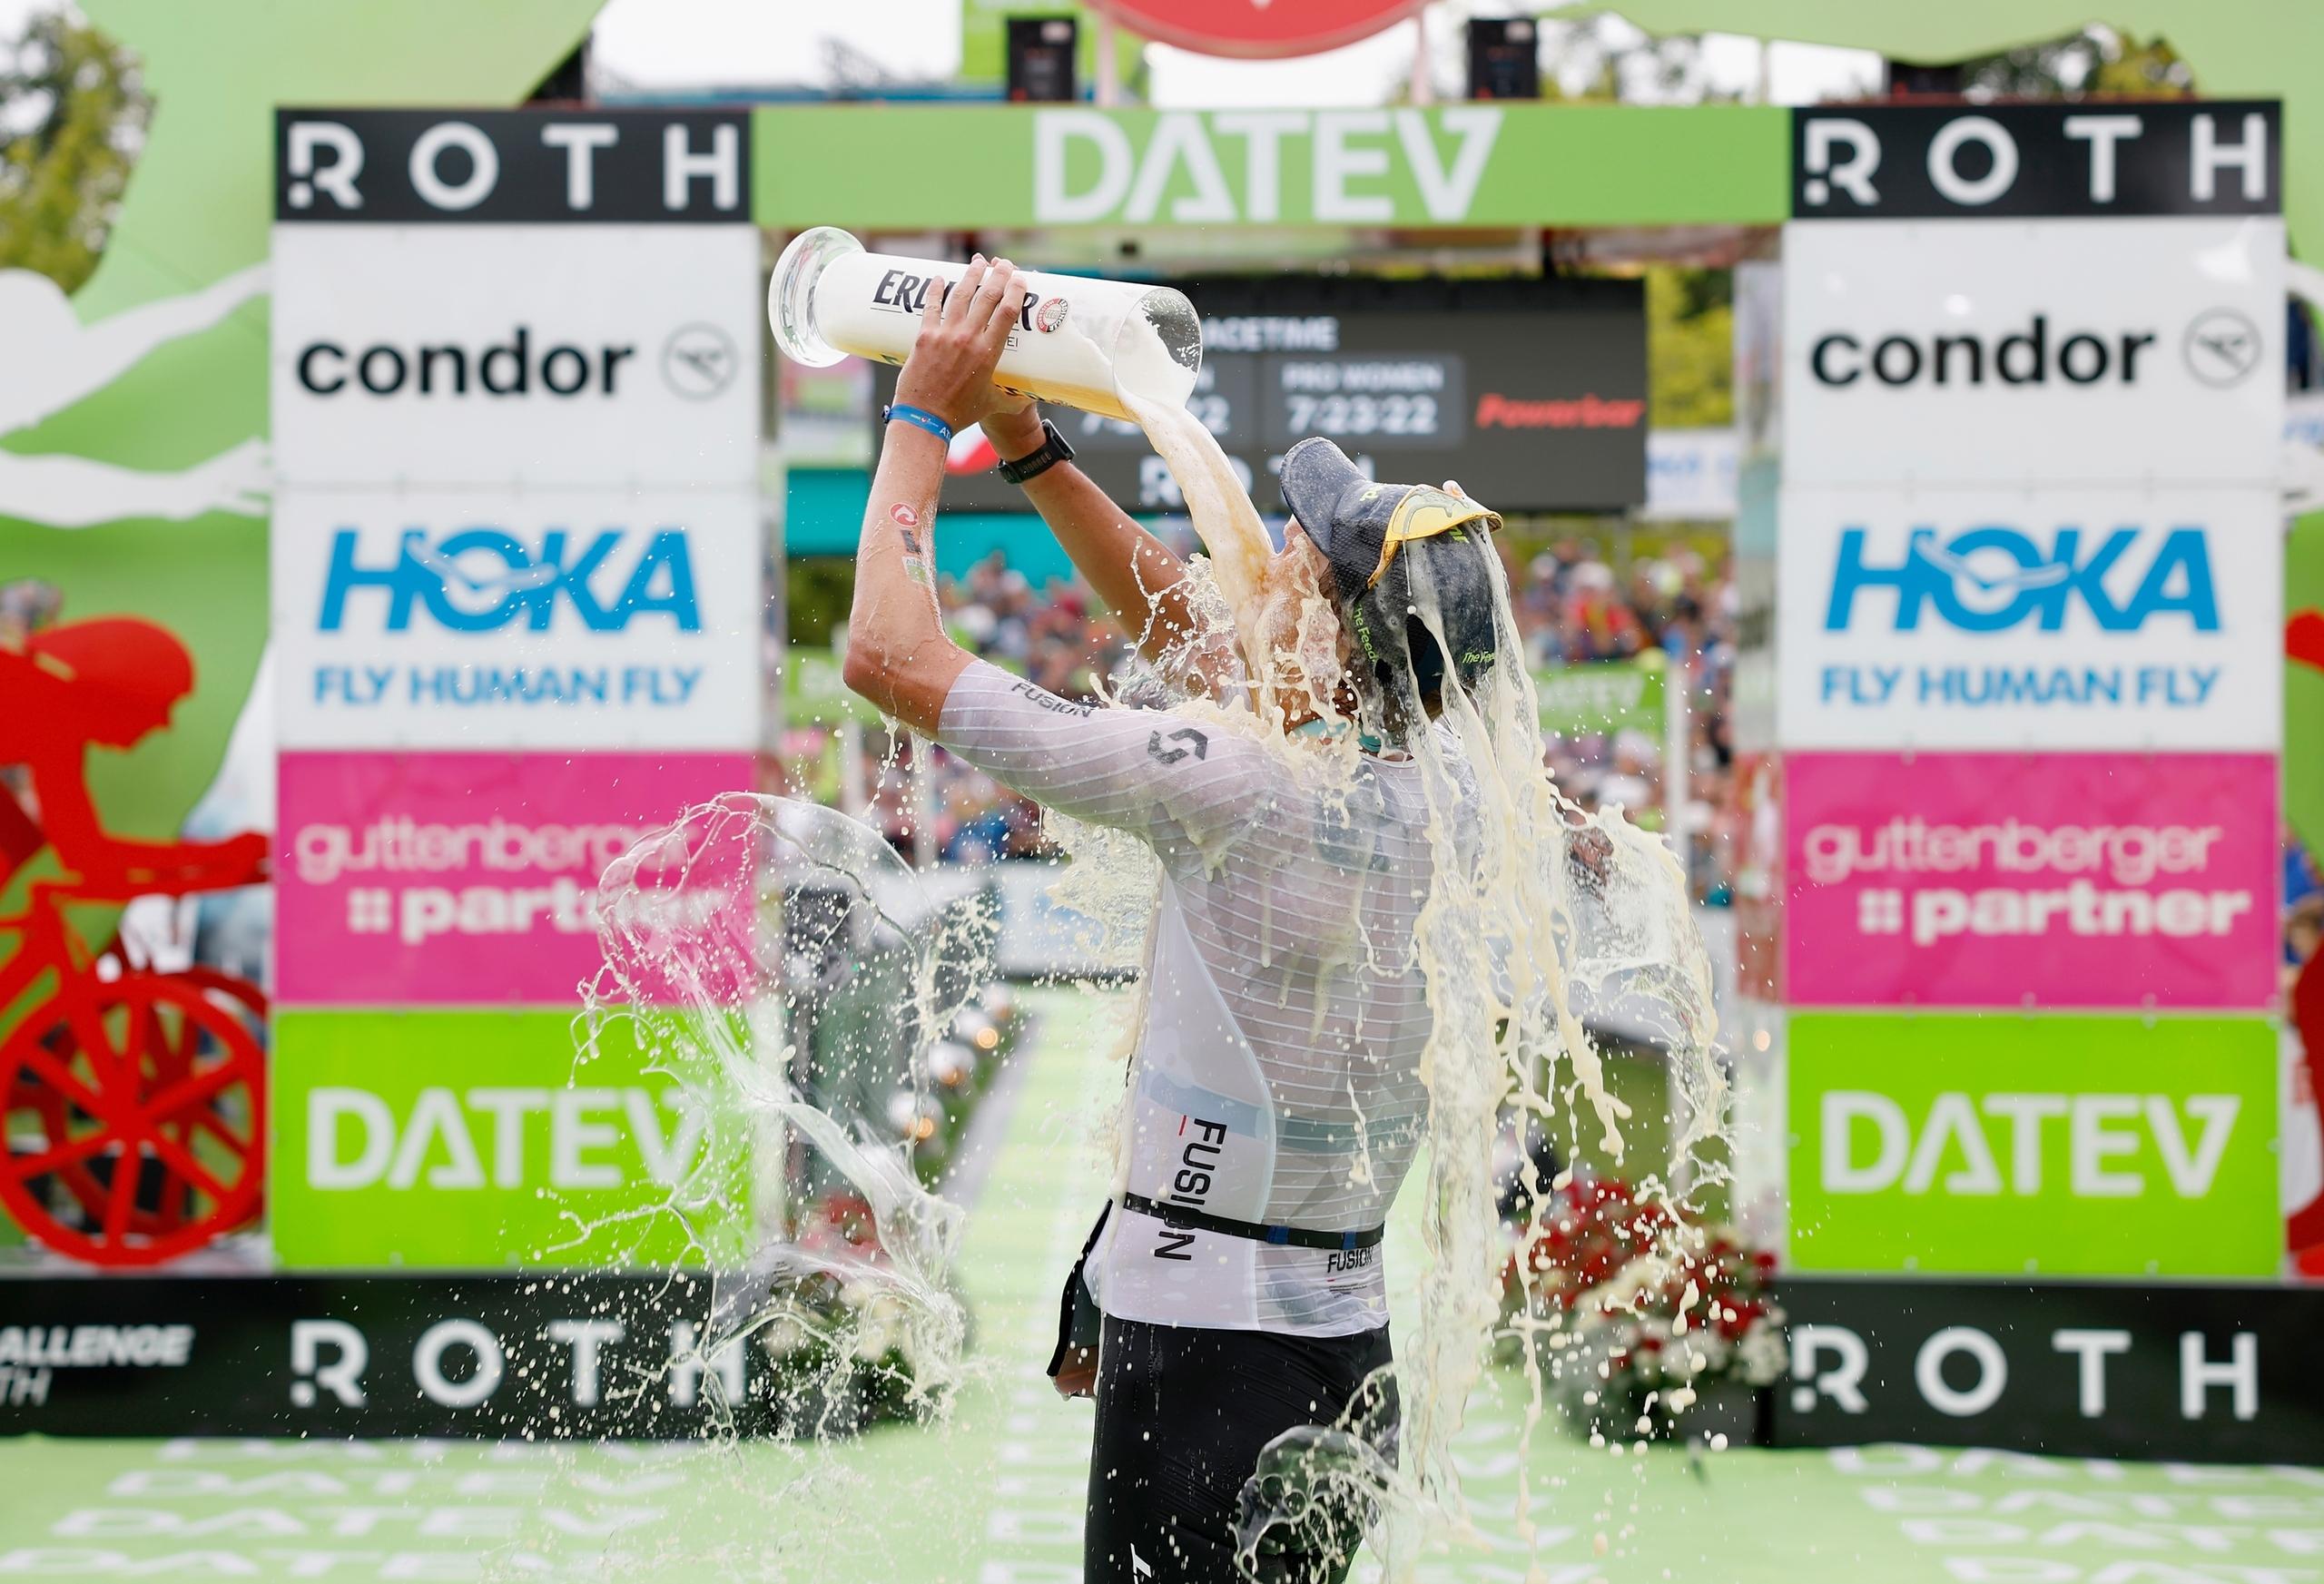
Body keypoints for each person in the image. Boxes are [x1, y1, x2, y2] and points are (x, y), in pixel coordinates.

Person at [842, 258, 1512, 1583]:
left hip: (1209, 1346)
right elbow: (1203, 634)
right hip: (1340, 1336)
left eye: (1294, 559)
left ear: (1332, 635)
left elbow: (887, 655)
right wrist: (1034, 452)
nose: (1261, 566)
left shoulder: (1239, 782)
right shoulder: (1448, 783)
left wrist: (919, 417)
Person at [0, 616, 269, 897]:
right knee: (18, 844)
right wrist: (222, 855)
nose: (164, 723)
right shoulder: (48, 718)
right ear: (111, 695)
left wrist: (222, 857)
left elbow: (85, 857)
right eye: (161, 704)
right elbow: (85, 857)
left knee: (21, 844)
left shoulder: (53, 720)